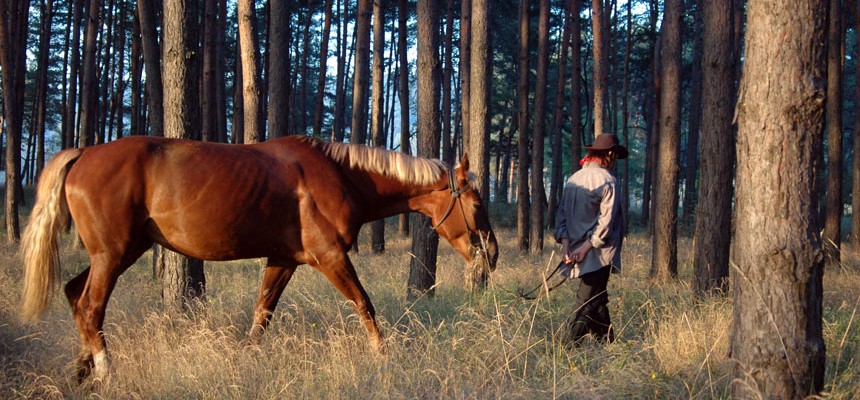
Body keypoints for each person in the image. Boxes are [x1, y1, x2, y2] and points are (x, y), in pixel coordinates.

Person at [555, 133, 627, 346]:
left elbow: (562, 218)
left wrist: (567, 247)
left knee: (598, 298)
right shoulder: (608, 181)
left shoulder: (573, 179)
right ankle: (566, 349)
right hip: (598, 254)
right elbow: (605, 224)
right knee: (586, 301)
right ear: (610, 154)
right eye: (615, 156)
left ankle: (610, 347)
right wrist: (586, 249)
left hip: (578, 249)